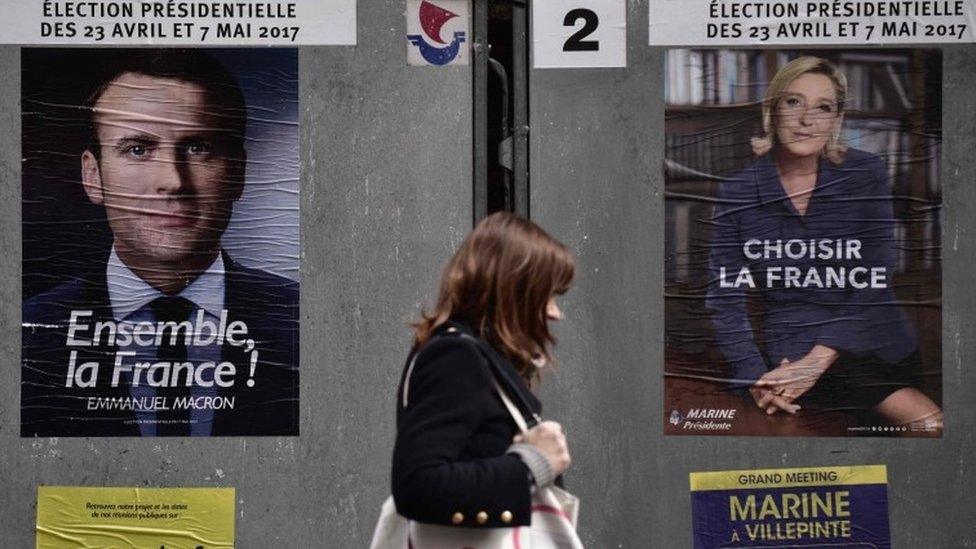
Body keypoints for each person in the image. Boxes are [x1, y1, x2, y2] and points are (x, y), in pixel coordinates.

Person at [21, 50, 298, 437]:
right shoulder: (25, 338)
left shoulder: (305, 325)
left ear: (237, 173)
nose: (173, 180)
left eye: (198, 147)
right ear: (93, 175)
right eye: (138, 149)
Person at [706, 56, 943, 431]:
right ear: (772, 110)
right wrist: (754, 377)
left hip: (868, 342)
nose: (807, 120)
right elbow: (725, 299)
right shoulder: (736, 192)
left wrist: (819, 360)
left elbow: (874, 281)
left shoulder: (866, 174)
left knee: (929, 426)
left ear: (836, 119)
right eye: (794, 102)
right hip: (789, 356)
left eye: (824, 107)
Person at [391, 212, 575, 528]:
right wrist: (532, 464)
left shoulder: (473, 354)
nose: (556, 314)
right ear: (516, 291)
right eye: (549, 296)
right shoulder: (456, 356)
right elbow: (416, 484)